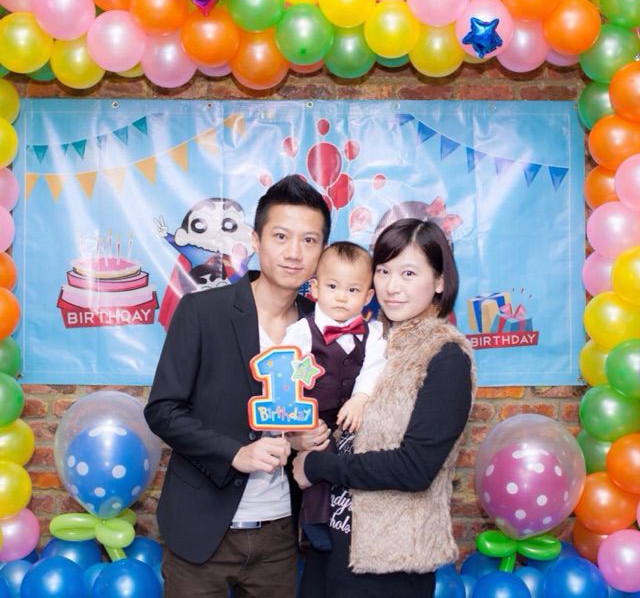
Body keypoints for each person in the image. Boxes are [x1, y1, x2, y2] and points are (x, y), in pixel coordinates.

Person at [144, 175, 332, 598]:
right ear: (255, 240)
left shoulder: (319, 325)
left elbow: (332, 410)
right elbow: (163, 410)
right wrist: (236, 453)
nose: (294, 252)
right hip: (201, 530)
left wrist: (306, 438)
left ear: (321, 251)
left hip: (280, 535)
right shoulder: (202, 311)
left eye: (309, 240)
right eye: (281, 236)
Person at [293, 218, 476, 598]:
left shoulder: (445, 356)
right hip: (332, 541)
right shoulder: (371, 340)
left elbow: (415, 467)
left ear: (439, 281)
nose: (392, 286)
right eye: (384, 271)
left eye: (409, 273)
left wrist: (316, 466)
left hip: (389, 563)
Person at [282, 242, 386, 557]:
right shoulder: (301, 332)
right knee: (319, 453)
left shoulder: (374, 334)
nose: (341, 297)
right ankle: (314, 522)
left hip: (353, 415)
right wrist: (298, 422)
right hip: (314, 416)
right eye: (332, 286)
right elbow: (285, 376)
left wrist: (361, 398)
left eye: (353, 290)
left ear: (368, 296)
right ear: (314, 288)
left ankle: (354, 523)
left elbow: (374, 368)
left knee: (361, 459)